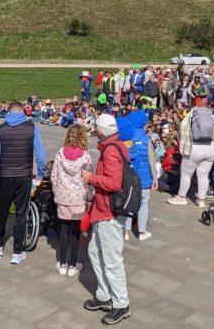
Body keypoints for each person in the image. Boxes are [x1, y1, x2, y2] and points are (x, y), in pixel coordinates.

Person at [80, 113, 132, 325]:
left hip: (109, 212)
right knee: (94, 251)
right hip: (104, 211)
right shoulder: (115, 145)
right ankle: (104, 295)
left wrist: (90, 178)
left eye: (96, 129)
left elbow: (114, 183)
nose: (94, 132)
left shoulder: (110, 151)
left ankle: (121, 304)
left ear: (101, 130)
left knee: (112, 260)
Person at [0, 100, 47, 265]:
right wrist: (41, 173)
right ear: (22, 112)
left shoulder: (0, 129)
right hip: (24, 176)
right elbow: (41, 155)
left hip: (5, 175)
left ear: (9, 112)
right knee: (22, 213)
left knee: (2, 211)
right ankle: (17, 251)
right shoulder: (32, 128)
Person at [51, 125, 92, 275]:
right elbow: (88, 178)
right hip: (78, 198)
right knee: (75, 231)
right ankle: (73, 266)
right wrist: (88, 197)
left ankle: (62, 264)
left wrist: (57, 191)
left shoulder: (60, 153)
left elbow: (54, 176)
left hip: (63, 196)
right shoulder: (86, 156)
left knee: (63, 228)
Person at [168, 99, 214, 207]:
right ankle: (201, 200)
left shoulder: (191, 115)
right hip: (210, 148)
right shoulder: (210, 117)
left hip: (194, 148)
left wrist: (182, 147)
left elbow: (182, 129)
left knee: (186, 174)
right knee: (203, 175)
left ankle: (181, 197)